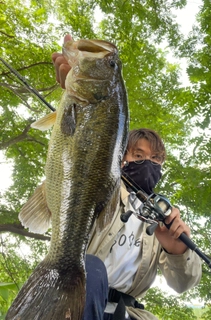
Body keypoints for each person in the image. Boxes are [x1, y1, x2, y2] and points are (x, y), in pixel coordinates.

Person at [52, 35, 202, 320]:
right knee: (92, 268)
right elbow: (76, 164)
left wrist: (178, 251)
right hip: (79, 294)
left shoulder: (164, 218)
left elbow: (183, 284)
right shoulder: (102, 188)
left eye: (157, 160)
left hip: (130, 313)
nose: (149, 163)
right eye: (139, 155)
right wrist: (83, 111)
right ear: (120, 156)